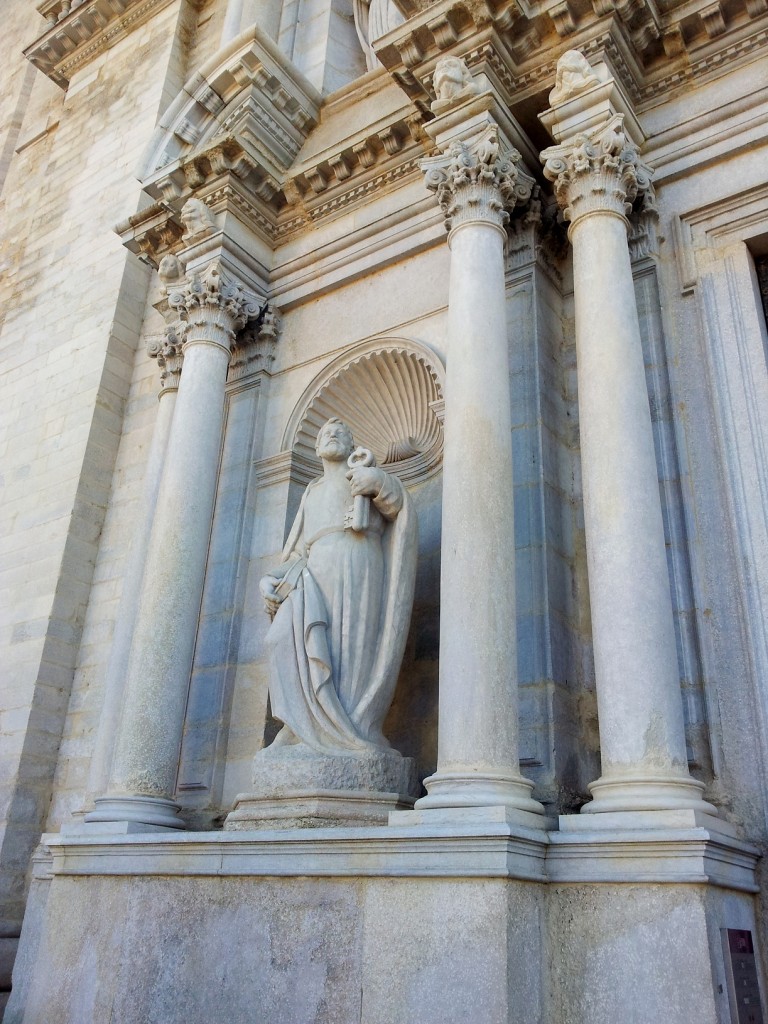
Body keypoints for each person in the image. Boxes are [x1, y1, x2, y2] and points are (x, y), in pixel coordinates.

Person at [259, 418, 418, 756]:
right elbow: (298, 550)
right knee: (282, 639)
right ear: (316, 448)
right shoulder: (311, 491)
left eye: (340, 433)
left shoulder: (364, 475)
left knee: (349, 645)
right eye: (325, 434)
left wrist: (378, 482)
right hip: (312, 573)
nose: (332, 435)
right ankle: (302, 727)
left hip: (358, 561)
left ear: (351, 446)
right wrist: (270, 578)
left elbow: (399, 507)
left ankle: (346, 728)